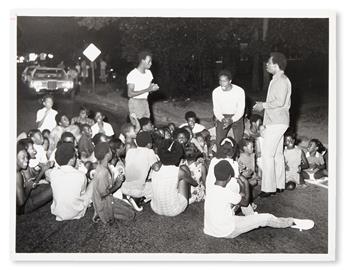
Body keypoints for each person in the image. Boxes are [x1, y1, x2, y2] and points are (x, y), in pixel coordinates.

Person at [203, 159, 314, 239]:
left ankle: (251, 217)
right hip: (226, 230)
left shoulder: (211, 189)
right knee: (266, 218)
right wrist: (245, 182)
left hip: (211, 229)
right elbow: (245, 203)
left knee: (238, 199)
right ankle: (292, 222)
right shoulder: (226, 192)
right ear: (228, 177)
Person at [253, 52, 292, 197]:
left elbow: (279, 101)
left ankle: (268, 188)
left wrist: (262, 105)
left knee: (267, 155)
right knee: (277, 155)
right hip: (278, 121)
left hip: (277, 122)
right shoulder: (278, 79)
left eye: (269, 63)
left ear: (276, 65)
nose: (267, 65)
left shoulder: (280, 80)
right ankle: (280, 185)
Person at [150, 139, 198, 217]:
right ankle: (189, 198)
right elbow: (194, 183)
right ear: (178, 155)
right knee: (184, 171)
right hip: (174, 210)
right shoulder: (179, 171)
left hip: (155, 207)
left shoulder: (155, 167)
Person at [92, 142, 135, 224]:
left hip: (109, 198)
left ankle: (103, 212)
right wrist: (117, 184)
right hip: (105, 203)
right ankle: (103, 215)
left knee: (129, 207)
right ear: (107, 155)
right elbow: (103, 194)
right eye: (110, 151)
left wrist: (117, 180)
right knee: (131, 215)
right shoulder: (102, 173)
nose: (112, 152)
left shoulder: (104, 165)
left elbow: (107, 186)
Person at [49, 143, 93, 221]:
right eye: (75, 156)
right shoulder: (81, 175)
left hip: (58, 213)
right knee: (93, 182)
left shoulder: (53, 173)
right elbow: (83, 194)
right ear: (72, 159)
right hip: (77, 213)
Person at [122, 131, 159, 211]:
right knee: (158, 185)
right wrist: (161, 161)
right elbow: (156, 168)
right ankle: (138, 199)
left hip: (124, 188)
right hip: (137, 191)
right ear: (149, 144)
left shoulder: (130, 151)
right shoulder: (149, 152)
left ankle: (127, 198)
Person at [212, 70, 245, 146]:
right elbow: (216, 109)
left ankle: (237, 156)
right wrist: (222, 119)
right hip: (222, 116)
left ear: (230, 81)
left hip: (237, 116)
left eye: (224, 81)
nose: (222, 83)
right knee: (219, 141)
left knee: (238, 141)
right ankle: (220, 156)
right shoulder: (216, 92)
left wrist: (232, 119)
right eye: (220, 81)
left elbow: (241, 109)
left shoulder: (239, 91)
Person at [16, 145, 52, 215]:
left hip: (24, 196)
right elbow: (21, 203)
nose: (26, 160)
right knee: (53, 189)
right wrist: (28, 187)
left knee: (45, 187)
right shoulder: (17, 174)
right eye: (23, 158)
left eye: (27, 157)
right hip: (23, 208)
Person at [126, 50, 159, 119]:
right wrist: (148, 89)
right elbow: (130, 93)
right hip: (135, 102)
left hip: (145, 102)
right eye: (149, 61)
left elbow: (148, 91)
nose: (151, 63)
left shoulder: (149, 73)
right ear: (142, 61)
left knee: (147, 127)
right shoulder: (133, 74)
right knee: (138, 127)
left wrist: (152, 88)